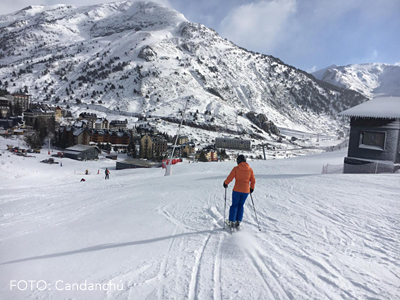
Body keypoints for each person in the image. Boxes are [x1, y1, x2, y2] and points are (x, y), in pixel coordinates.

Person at [223, 155, 255, 228]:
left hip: (237, 190)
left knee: (234, 205)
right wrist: (251, 188)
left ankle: (232, 221)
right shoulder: (250, 170)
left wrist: (225, 183)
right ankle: (238, 222)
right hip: (246, 191)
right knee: (241, 206)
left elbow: (230, 177)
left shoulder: (236, 169)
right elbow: (253, 181)